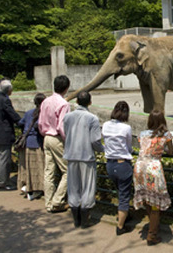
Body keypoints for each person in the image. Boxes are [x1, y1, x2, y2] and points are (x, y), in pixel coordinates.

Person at [63, 91, 103, 228]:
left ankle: (76, 218)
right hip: (86, 155)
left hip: (71, 154)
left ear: (77, 102)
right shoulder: (92, 118)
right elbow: (96, 140)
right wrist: (102, 150)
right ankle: (85, 218)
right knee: (88, 187)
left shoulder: (67, 117)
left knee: (73, 187)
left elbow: (65, 134)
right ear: (90, 102)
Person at [133, 110, 173, 246]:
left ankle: (152, 225)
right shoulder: (166, 135)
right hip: (153, 168)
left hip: (139, 167)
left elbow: (144, 148)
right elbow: (171, 151)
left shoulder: (142, 134)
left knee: (146, 199)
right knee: (156, 202)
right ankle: (152, 234)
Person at [38, 75, 71, 213]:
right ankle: (57, 201)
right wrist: (67, 140)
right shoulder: (64, 104)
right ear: (66, 88)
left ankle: (49, 202)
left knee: (49, 171)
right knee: (67, 171)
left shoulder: (45, 101)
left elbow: (40, 122)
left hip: (46, 137)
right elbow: (61, 126)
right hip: (57, 138)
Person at [102, 101, 134, 235]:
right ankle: (120, 226)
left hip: (110, 164)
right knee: (124, 196)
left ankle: (123, 214)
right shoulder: (126, 128)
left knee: (120, 192)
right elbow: (129, 147)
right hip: (123, 164)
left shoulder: (105, 125)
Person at [0, 79, 22, 191]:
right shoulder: (5, 100)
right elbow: (12, 114)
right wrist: (21, 122)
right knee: (4, 159)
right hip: (4, 133)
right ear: (9, 90)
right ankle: (3, 183)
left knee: (0, 158)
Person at [18, 93, 47, 200]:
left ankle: (28, 187)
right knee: (39, 167)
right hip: (37, 143)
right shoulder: (42, 113)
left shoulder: (28, 112)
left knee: (28, 167)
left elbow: (20, 123)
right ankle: (38, 189)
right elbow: (38, 126)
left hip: (26, 143)